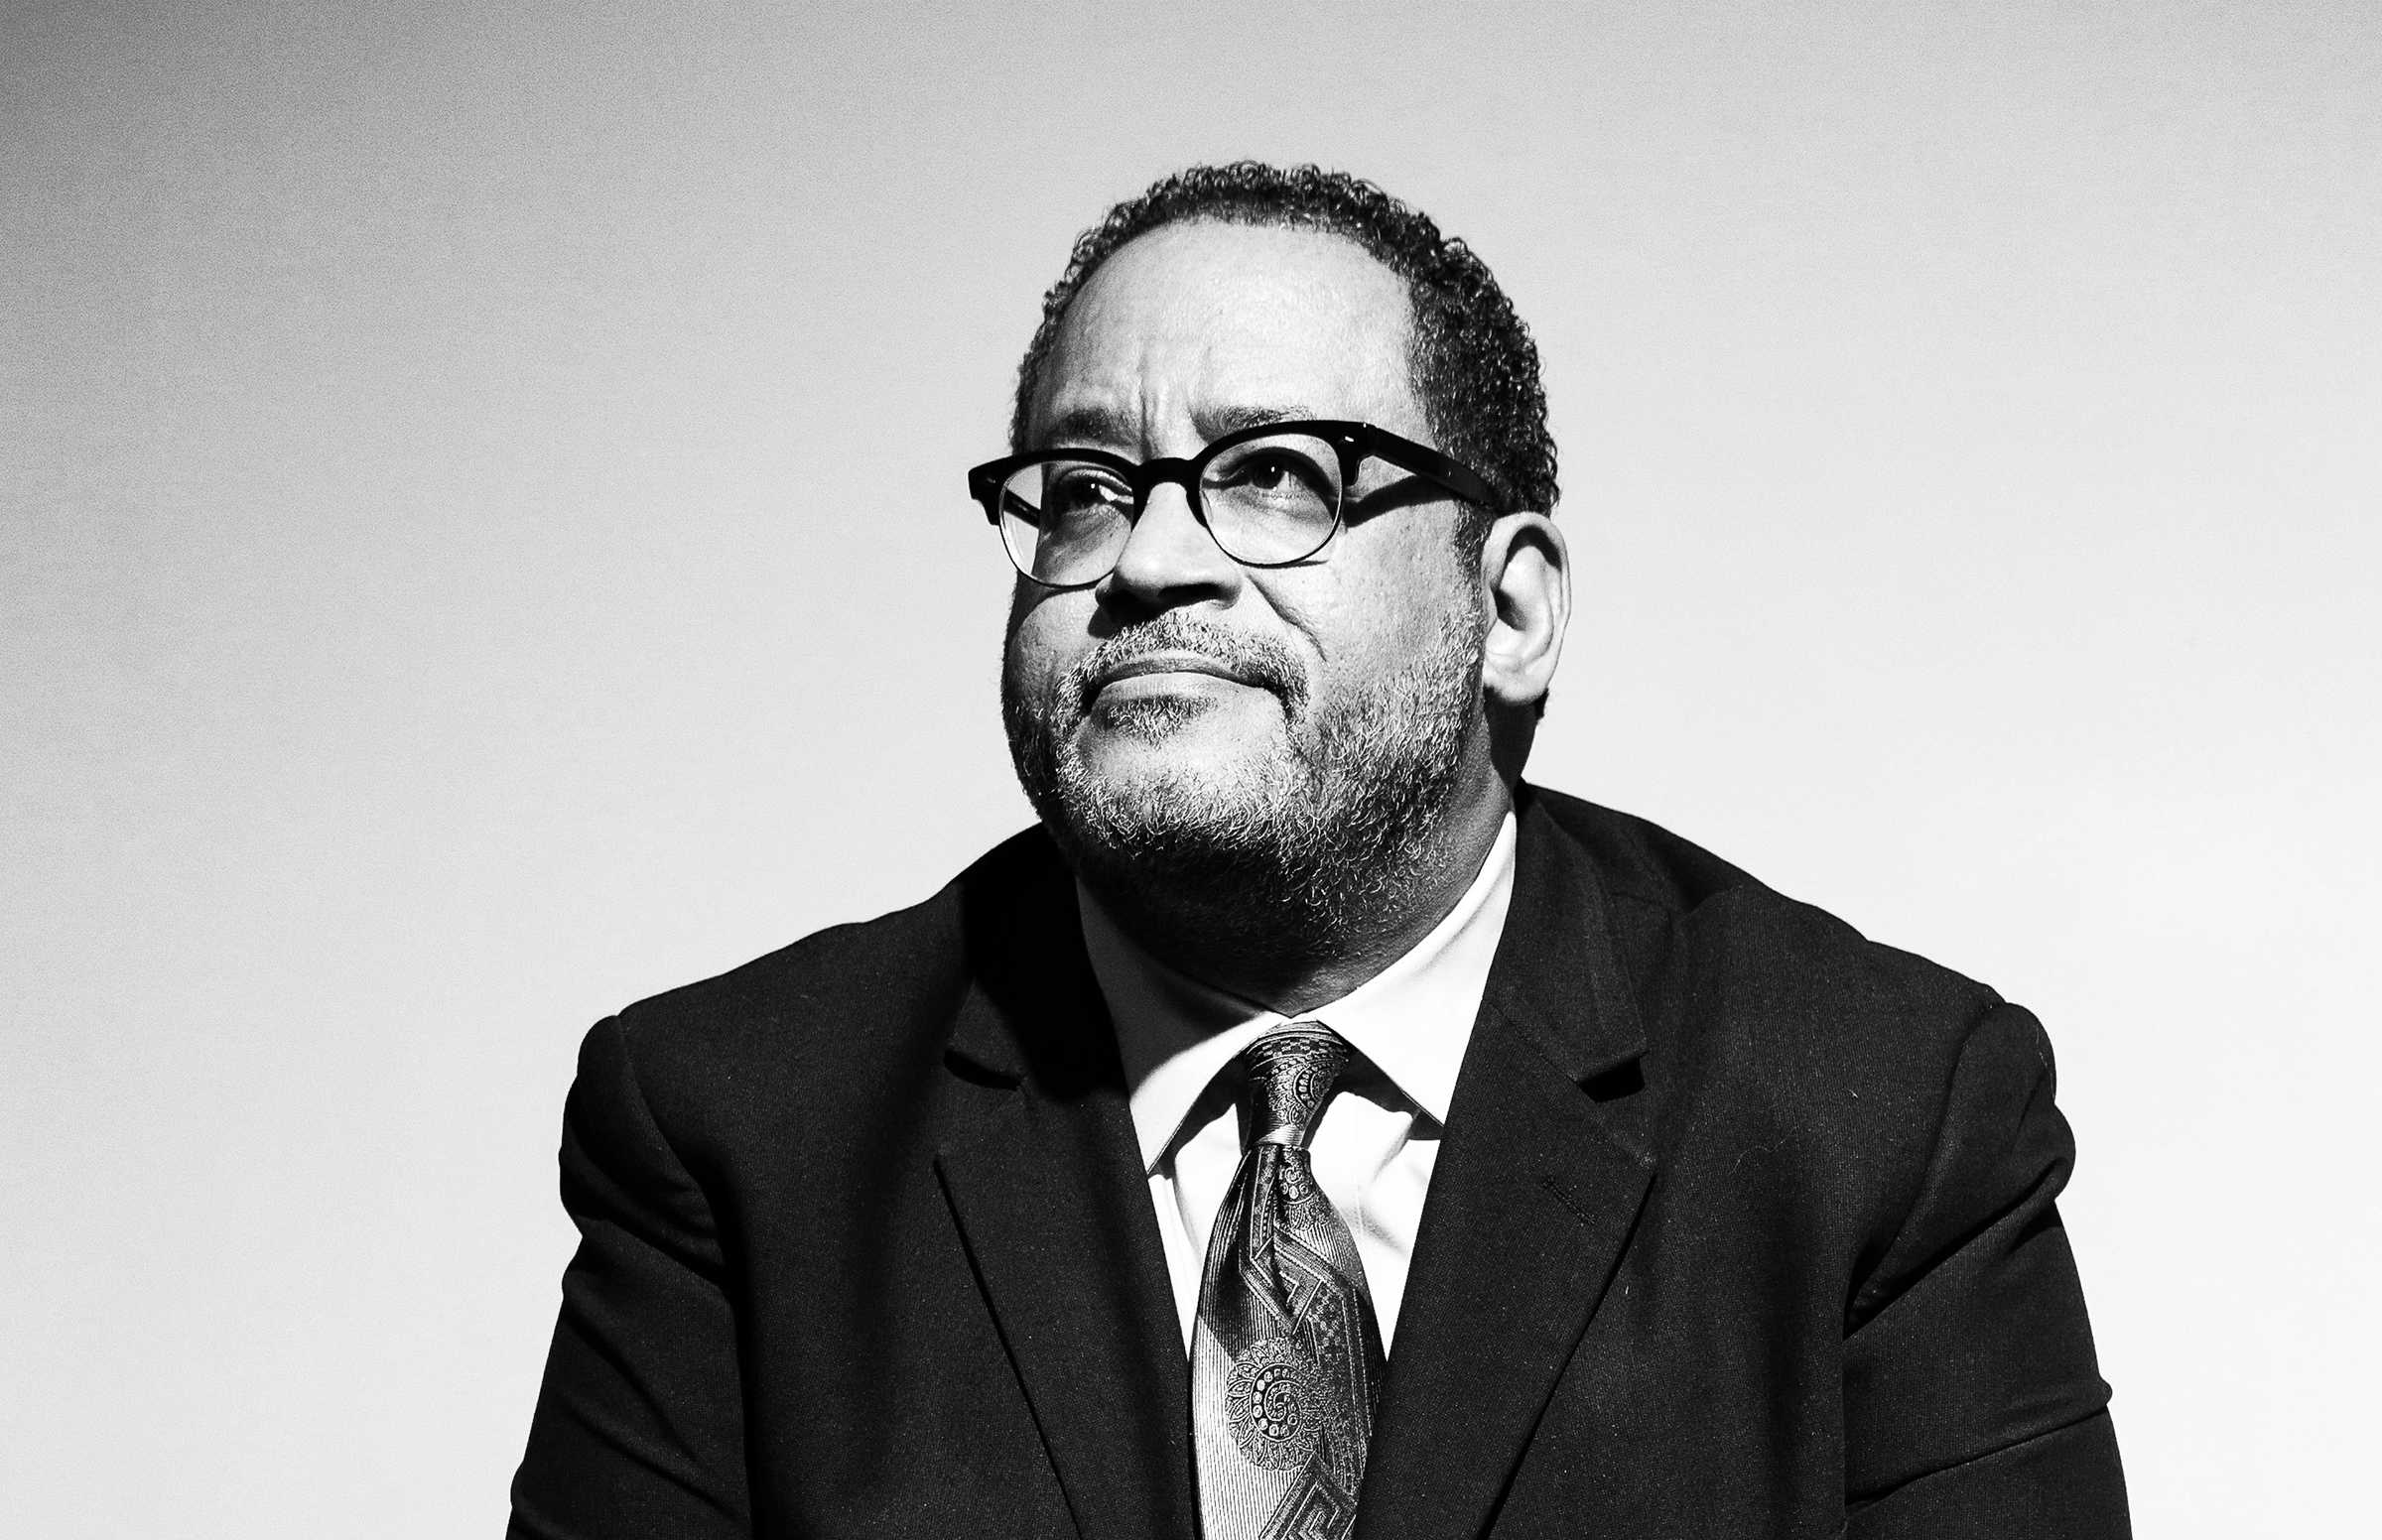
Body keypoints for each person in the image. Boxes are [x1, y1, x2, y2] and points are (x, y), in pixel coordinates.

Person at [508, 163, 2129, 1539]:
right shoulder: (740, 1129)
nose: (1146, 559)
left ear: (1509, 608)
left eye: (1277, 475)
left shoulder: (1881, 1116)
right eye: (1084, 488)